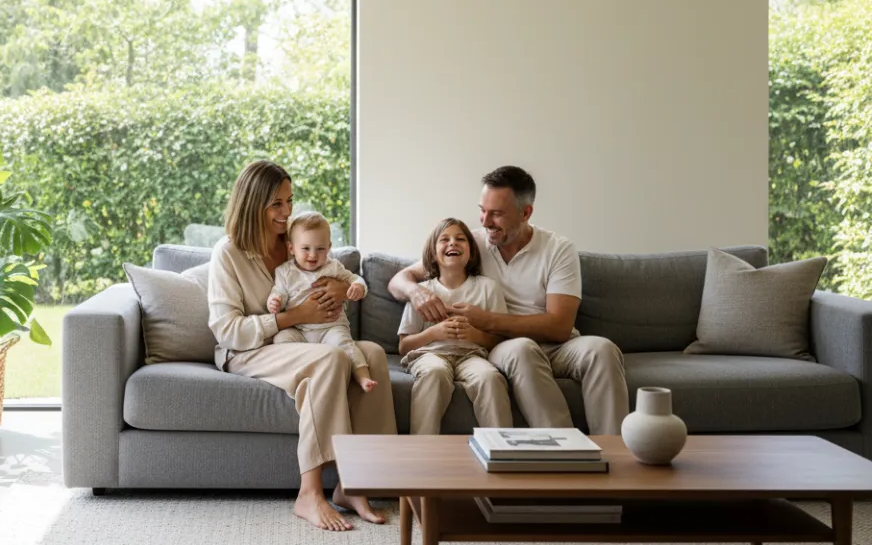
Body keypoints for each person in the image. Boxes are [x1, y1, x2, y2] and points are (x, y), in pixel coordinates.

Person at [208, 160, 397, 531]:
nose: (287, 211)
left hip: (302, 342)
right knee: (329, 360)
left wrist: (343, 289)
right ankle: (309, 493)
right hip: (249, 349)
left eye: (289, 200)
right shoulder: (227, 254)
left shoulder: (296, 242)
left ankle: (353, 485)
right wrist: (293, 316)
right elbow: (227, 330)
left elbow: (337, 275)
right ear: (253, 204)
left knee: (371, 354)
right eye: (276, 204)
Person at [388, 166, 628, 435]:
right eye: (483, 210)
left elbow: (560, 326)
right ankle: (564, 447)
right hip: (507, 346)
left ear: (526, 213)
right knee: (522, 348)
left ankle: (616, 452)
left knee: (603, 350)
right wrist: (416, 292)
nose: (485, 221)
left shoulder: (558, 249)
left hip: (557, 345)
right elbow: (402, 278)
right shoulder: (473, 243)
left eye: (497, 214)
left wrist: (488, 319)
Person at [398, 217, 512, 433]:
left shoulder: (488, 288)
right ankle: (422, 450)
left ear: (471, 252)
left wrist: (475, 335)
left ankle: (502, 450)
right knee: (435, 373)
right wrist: (433, 332)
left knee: (490, 377)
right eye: (444, 239)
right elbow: (404, 346)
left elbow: (499, 340)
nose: (452, 243)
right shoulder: (422, 292)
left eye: (460, 239)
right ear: (433, 253)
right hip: (430, 355)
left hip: (472, 356)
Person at [267, 211, 376, 393]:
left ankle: (363, 376)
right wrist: (275, 301)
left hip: (330, 328)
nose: (313, 255)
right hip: (299, 330)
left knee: (344, 344)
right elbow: (278, 291)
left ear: (329, 247)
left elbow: (354, 278)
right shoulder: (285, 272)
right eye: (306, 248)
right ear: (291, 248)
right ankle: (296, 375)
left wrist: (358, 286)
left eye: (320, 249)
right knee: (281, 339)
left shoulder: (333, 267)